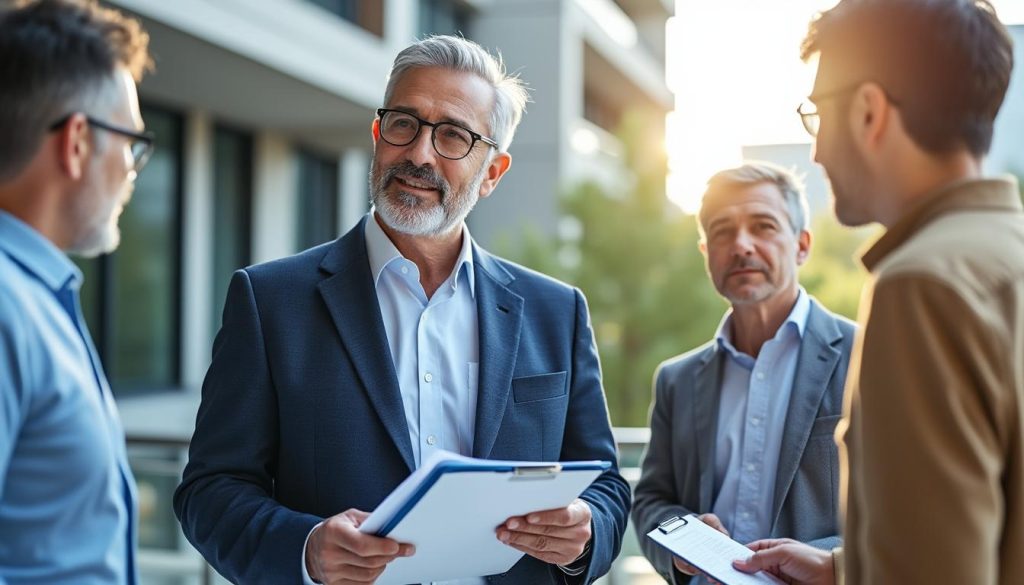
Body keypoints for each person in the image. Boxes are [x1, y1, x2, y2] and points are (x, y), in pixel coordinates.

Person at [173, 35, 630, 584]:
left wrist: (584, 532)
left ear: (492, 173)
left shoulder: (556, 311)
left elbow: (605, 484)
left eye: (454, 136)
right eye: (403, 124)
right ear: (377, 133)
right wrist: (306, 549)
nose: (419, 154)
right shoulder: (270, 301)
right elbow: (210, 490)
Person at [734, 1, 1023, 583]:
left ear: (868, 111)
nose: (814, 151)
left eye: (817, 114)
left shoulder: (920, 286)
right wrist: (846, 569)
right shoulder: (1004, 253)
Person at [632, 162, 854, 584]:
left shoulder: (868, 357)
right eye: (722, 232)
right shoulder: (675, 380)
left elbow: (905, 508)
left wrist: (829, 563)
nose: (742, 245)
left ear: (802, 244)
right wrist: (683, 539)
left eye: (764, 226)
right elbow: (651, 500)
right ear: (705, 253)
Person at [0, 0, 153, 582]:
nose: (133, 170)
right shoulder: (9, 310)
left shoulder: (37, 297)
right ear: (78, 142)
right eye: (131, 143)